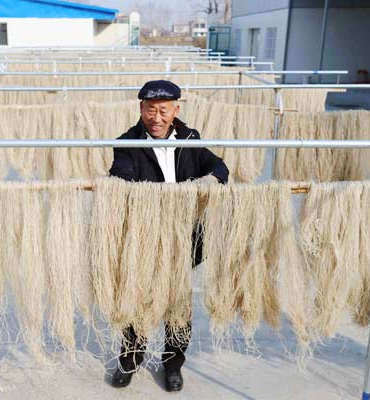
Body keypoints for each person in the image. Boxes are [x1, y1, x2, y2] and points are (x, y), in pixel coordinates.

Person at [108, 80, 229, 392]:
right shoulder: (127, 142)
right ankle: (130, 358)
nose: (156, 118)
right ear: (141, 110)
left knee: (178, 303)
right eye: (150, 110)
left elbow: (215, 164)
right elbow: (121, 175)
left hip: (183, 236)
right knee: (136, 297)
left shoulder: (190, 138)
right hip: (144, 236)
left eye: (163, 110)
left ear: (176, 110)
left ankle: (173, 363)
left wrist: (214, 177)